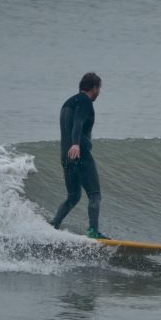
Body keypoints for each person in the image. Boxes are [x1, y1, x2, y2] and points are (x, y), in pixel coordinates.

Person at [50, 72, 109, 239]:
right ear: (95, 88)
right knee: (95, 195)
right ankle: (93, 232)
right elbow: (77, 123)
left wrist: (69, 151)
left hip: (66, 155)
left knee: (73, 196)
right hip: (80, 154)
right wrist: (76, 144)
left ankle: (53, 226)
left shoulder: (67, 102)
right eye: (99, 88)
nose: (99, 92)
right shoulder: (85, 102)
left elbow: (68, 129)